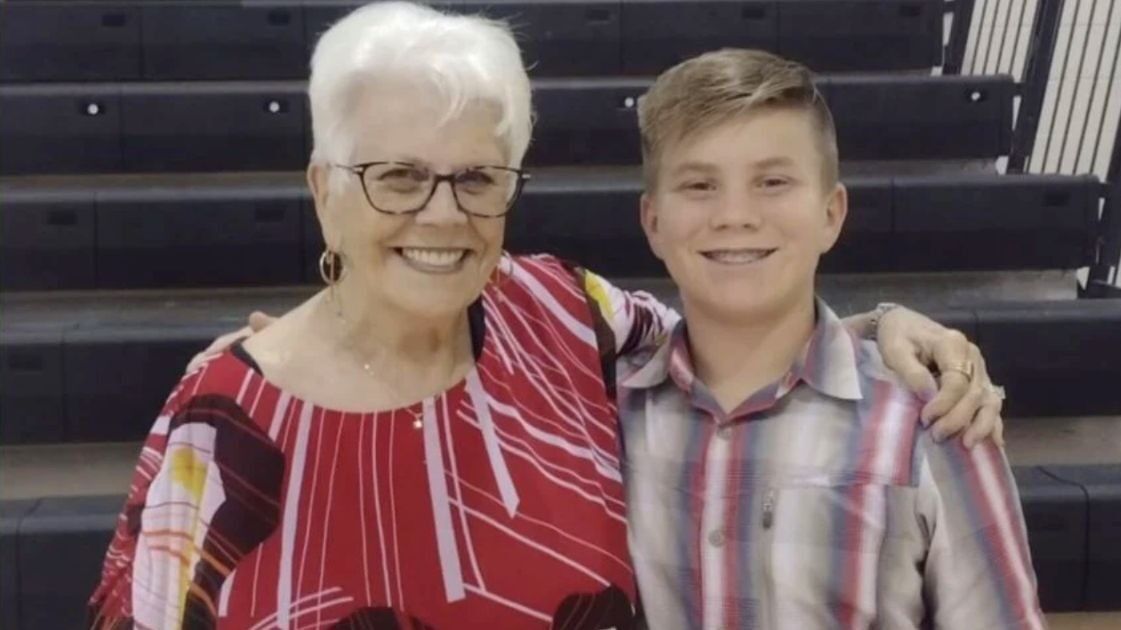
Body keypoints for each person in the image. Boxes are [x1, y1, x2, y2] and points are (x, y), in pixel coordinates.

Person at [89, 3, 1005, 629]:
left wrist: (887, 326)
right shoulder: (221, 424)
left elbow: (740, 328)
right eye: (397, 175)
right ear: (324, 190)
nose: (440, 213)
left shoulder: (564, 314)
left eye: (477, 177)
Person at [620, 48, 1043, 629]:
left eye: (772, 181)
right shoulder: (604, 416)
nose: (735, 214)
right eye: (699, 185)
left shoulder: (934, 424)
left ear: (831, 213)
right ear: (652, 223)